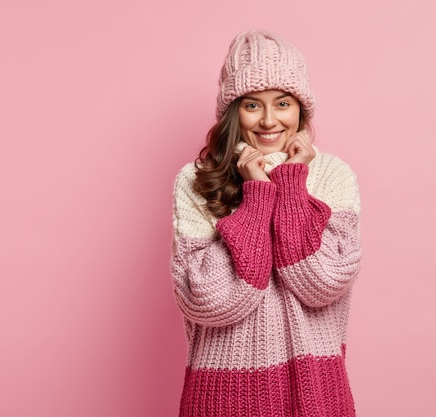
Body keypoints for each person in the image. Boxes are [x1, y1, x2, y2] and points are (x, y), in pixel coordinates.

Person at [171, 29, 361, 416]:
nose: (270, 120)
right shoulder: (195, 180)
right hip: (221, 395)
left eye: (283, 103)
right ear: (232, 112)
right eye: (252, 105)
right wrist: (257, 198)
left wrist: (291, 188)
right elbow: (211, 302)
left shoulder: (334, 176)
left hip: (317, 393)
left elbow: (321, 285)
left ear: (301, 109)